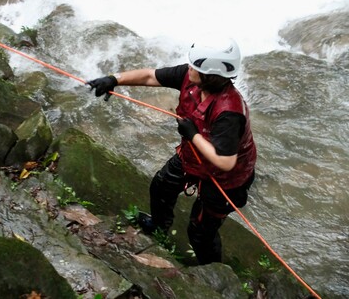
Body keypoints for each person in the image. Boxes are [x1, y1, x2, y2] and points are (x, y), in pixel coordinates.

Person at [86, 38, 257, 265]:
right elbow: (150, 76)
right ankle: (159, 226)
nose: (189, 67)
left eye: (195, 66)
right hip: (193, 158)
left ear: (209, 75)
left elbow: (225, 161)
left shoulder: (229, 112)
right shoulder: (189, 77)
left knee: (200, 232)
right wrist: (114, 79)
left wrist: (193, 133)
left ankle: (212, 270)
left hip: (225, 179)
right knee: (161, 186)